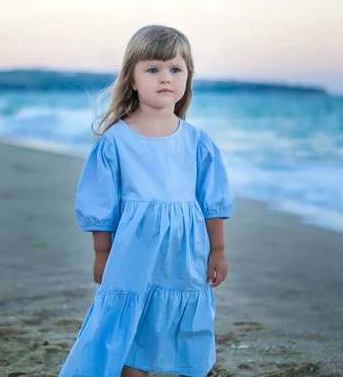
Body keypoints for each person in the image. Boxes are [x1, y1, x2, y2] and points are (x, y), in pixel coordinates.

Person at [59, 25, 234, 377]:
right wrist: (101, 254)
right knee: (132, 326)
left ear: (187, 77)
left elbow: (211, 202)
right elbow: (101, 204)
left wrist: (218, 250)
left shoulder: (197, 142)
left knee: (183, 325)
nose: (165, 78)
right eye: (152, 69)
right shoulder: (116, 141)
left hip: (185, 254)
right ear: (133, 79)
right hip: (134, 254)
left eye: (175, 69)